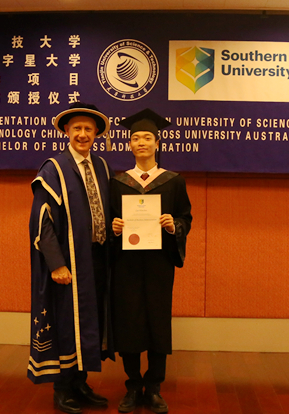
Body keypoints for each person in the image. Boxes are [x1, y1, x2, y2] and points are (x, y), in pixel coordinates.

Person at [28, 102, 115, 414]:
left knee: (90, 321)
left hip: (97, 258)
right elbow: (42, 221)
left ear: (96, 134)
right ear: (66, 130)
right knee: (67, 322)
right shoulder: (54, 168)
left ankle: (80, 383)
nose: (82, 134)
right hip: (70, 262)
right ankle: (63, 388)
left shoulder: (102, 167)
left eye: (88, 129)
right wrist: (57, 264)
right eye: (77, 128)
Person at [110, 108, 192, 414]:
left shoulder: (174, 182)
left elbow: (186, 218)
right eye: (136, 138)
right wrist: (114, 228)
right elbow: (107, 221)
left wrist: (174, 226)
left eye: (147, 137)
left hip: (159, 263)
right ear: (129, 144)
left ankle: (154, 386)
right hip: (126, 264)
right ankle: (133, 385)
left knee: (158, 321)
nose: (141, 142)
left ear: (157, 143)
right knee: (128, 321)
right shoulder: (118, 182)